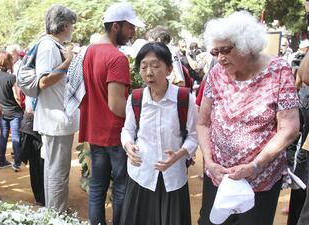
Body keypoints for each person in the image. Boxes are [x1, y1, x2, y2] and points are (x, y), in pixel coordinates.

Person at [196, 11, 299, 225]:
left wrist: (254, 166)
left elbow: (289, 129)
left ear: (246, 45)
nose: (220, 58)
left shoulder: (279, 71)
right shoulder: (216, 74)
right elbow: (203, 122)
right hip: (218, 176)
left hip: (260, 180)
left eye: (225, 50)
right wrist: (210, 161)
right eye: (215, 52)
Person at [79, 2, 145, 225]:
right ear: (116, 26)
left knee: (97, 185)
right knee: (121, 186)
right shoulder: (116, 58)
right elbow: (116, 104)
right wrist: (139, 121)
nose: (133, 32)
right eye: (130, 27)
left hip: (94, 130)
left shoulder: (89, 51)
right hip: (115, 133)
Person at [120, 42, 198, 225]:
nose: (149, 72)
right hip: (141, 175)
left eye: (155, 66)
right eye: (144, 66)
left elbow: (194, 135)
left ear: (169, 69)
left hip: (173, 176)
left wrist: (180, 154)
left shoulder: (184, 98)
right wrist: (128, 145)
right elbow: (127, 130)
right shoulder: (136, 98)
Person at [33, 5, 77, 212]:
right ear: (64, 25)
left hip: (54, 118)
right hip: (56, 119)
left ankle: (54, 211)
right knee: (58, 171)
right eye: (71, 25)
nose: (72, 29)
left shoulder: (51, 44)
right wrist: (68, 62)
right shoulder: (49, 46)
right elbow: (43, 81)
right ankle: (57, 214)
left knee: (53, 169)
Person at [0, 51, 23, 171]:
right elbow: (18, 95)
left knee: (3, 136)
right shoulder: (11, 77)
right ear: (8, 62)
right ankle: (17, 163)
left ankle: (2, 161)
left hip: (1, 111)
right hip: (14, 111)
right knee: (16, 137)